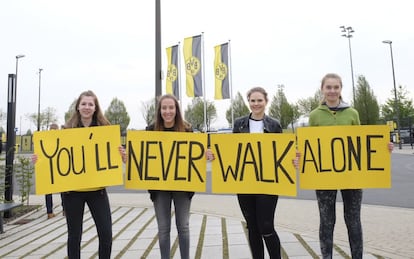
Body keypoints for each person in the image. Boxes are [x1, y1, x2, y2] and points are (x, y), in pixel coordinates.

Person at [308, 73, 393, 259]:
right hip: (324, 177)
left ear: (340, 89)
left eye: (335, 87)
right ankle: (326, 256)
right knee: (327, 221)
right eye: (328, 87)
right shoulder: (314, 116)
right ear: (322, 89)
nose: (332, 91)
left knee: (353, 220)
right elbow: (308, 145)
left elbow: (362, 141)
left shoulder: (352, 113)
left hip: (352, 176)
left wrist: (383, 147)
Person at [119, 94, 212, 259]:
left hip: (183, 187)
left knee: (183, 226)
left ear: (176, 110)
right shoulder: (150, 130)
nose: (168, 111)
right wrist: (128, 157)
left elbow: (195, 155)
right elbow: (141, 157)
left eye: (171, 107)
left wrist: (205, 154)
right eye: (164, 108)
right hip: (160, 189)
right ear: (159, 111)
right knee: (163, 229)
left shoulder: (187, 129)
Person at [34, 90, 114, 258]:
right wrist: (39, 159)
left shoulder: (105, 130)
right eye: (83, 104)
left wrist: (120, 153)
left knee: (106, 233)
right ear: (78, 107)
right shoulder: (66, 130)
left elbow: (110, 155)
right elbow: (54, 157)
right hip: (72, 193)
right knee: (74, 236)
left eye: (90, 104)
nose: (86, 107)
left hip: (97, 191)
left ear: (95, 108)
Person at [232, 86, 285, 259]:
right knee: (253, 226)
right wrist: (213, 154)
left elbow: (282, 152)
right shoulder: (239, 125)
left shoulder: (274, 125)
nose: (256, 104)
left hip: (268, 183)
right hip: (245, 184)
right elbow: (232, 152)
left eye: (259, 100)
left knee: (266, 226)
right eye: (252, 100)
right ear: (249, 102)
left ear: (266, 102)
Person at [44, 123, 60, 219]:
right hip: (59, 167)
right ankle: (65, 210)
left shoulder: (45, 140)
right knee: (63, 189)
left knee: (48, 191)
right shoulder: (60, 139)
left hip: (47, 168)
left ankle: (49, 212)